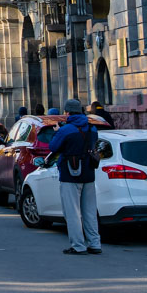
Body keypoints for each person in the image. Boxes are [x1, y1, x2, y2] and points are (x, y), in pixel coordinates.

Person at [42, 98, 102, 255]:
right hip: (89, 172)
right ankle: (95, 244)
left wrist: (56, 133)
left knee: (73, 212)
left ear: (67, 113)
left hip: (70, 173)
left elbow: (54, 147)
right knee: (89, 211)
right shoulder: (92, 129)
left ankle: (78, 245)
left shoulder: (65, 130)